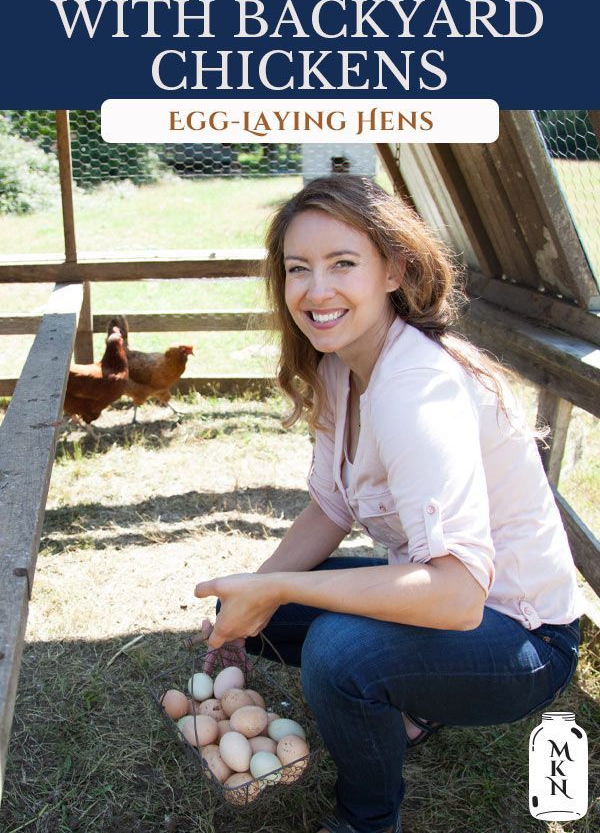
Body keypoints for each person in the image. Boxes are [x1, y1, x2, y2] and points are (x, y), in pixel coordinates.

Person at [194, 175, 583, 833]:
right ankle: (408, 698)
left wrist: (278, 587)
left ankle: (367, 819)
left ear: (395, 269)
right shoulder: (342, 365)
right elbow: (329, 509)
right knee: (254, 609)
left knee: (340, 653)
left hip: (521, 636)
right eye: (298, 269)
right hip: (451, 606)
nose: (316, 291)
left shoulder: (417, 388)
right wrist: (256, 595)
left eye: (343, 264)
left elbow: (459, 596)